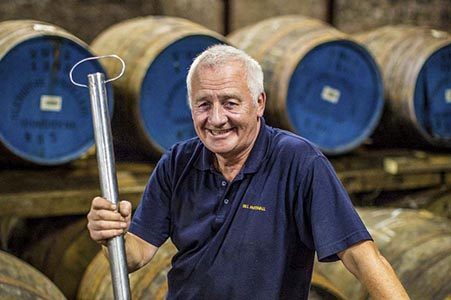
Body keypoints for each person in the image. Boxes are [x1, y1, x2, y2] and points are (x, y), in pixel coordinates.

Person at [87, 44, 409, 299]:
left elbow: (360, 256)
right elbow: (136, 255)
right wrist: (110, 234)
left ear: (259, 103)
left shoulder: (298, 162)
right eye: (203, 104)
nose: (215, 118)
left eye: (230, 103)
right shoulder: (177, 163)